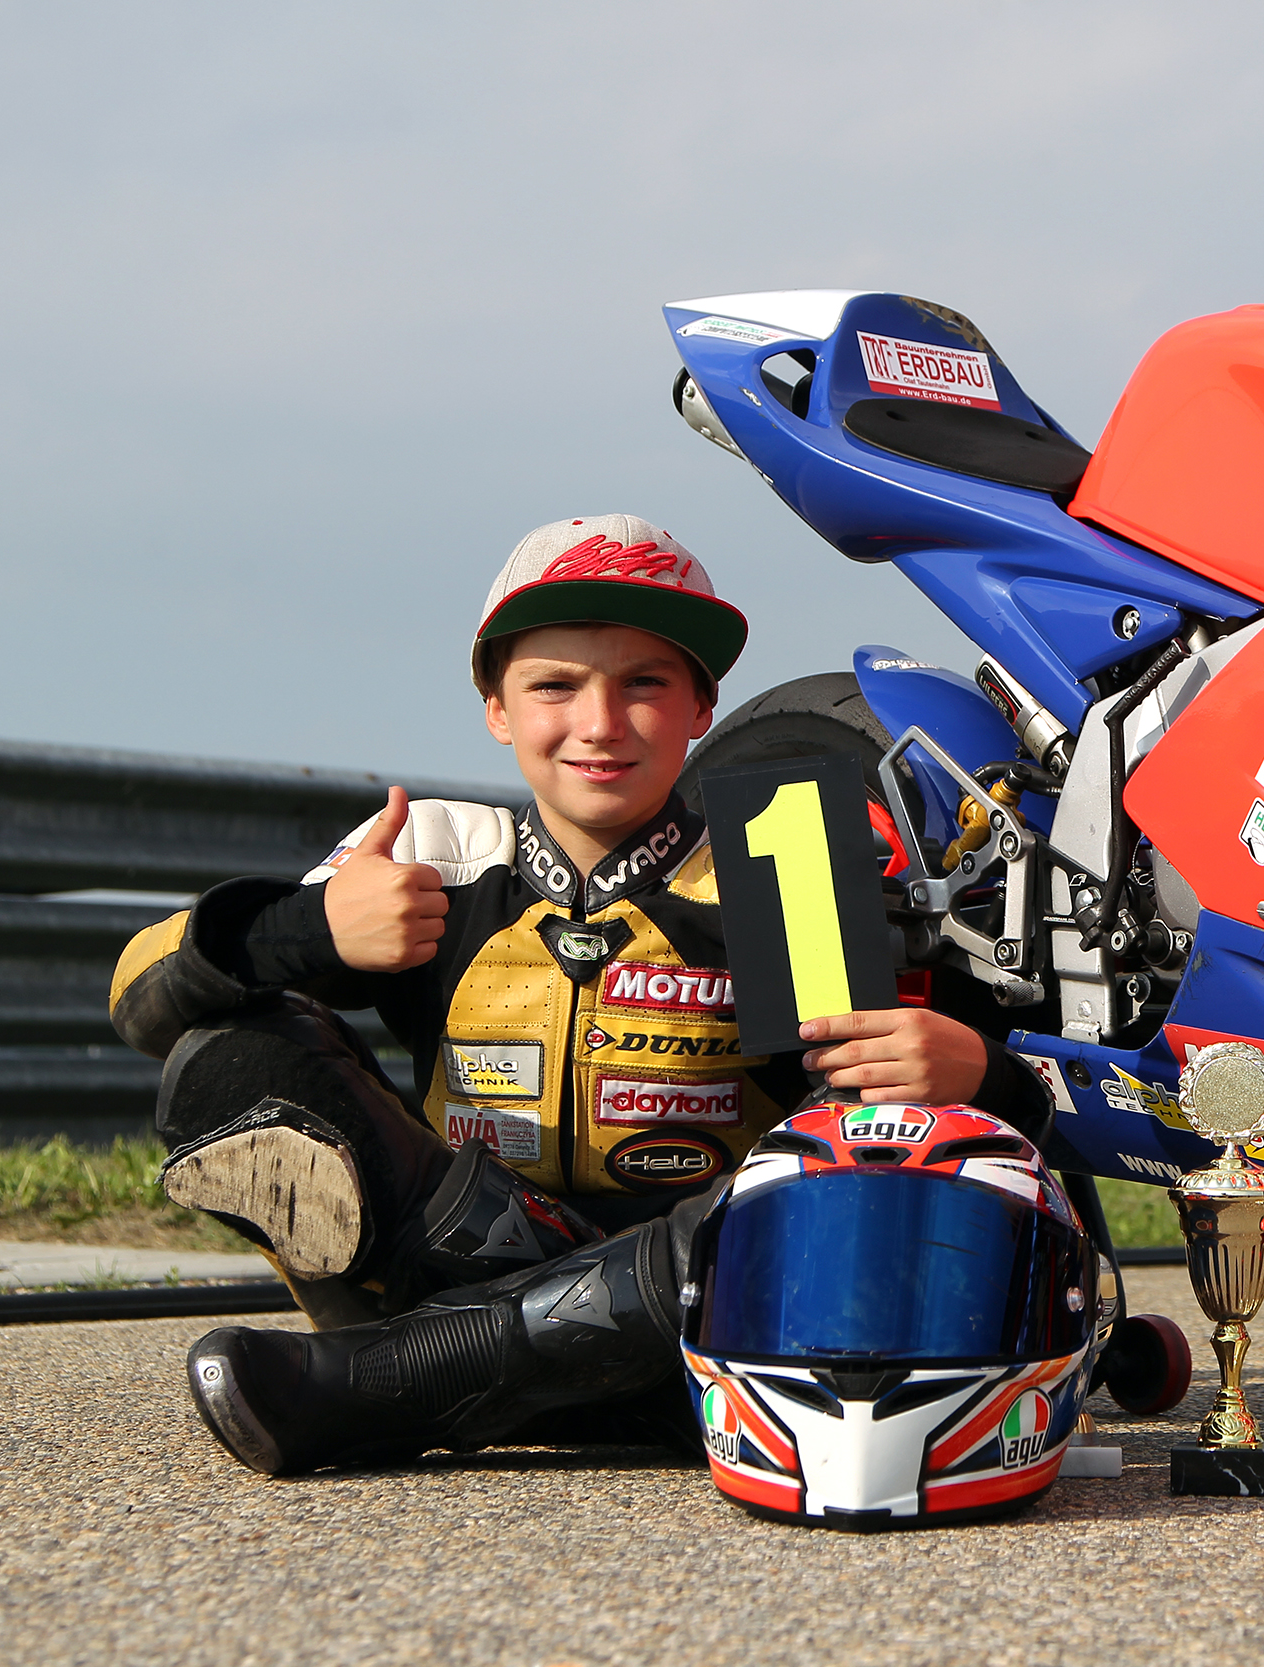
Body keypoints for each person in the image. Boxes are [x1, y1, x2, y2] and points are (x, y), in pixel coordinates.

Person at [113, 514, 1046, 1474]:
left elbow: (867, 1140)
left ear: (701, 705)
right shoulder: (435, 850)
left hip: (703, 1306)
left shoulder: (780, 853)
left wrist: (979, 1073)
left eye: (644, 683)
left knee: (852, 1168)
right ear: (496, 708)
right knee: (225, 1059)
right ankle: (535, 1375)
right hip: (470, 1267)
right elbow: (140, 1001)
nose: (600, 724)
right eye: (555, 685)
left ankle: (394, 1379)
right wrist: (310, 931)